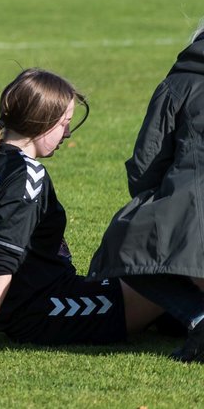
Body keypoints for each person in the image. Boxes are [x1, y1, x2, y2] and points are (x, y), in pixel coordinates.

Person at [0, 68, 162, 354]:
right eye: (64, 124)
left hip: (39, 303)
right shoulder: (27, 177)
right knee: (166, 286)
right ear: (41, 123)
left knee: (149, 277)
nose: (68, 133)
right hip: (43, 310)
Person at [87, 26, 204, 362]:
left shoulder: (179, 83)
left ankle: (197, 316)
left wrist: (159, 200)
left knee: (123, 243)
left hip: (191, 213)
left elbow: (144, 166)